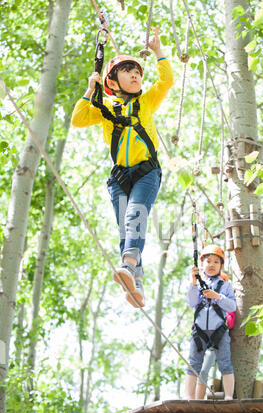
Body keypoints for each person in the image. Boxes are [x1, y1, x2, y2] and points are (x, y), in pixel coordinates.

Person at [71, 27, 174, 308]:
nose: (134, 75)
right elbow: (78, 120)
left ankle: (128, 265)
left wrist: (158, 52)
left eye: (137, 72)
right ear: (112, 82)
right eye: (127, 71)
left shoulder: (146, 101)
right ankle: (135, 283)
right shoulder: (105, 108)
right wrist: (90, 90)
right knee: (126, 229)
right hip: (119, 177)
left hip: (146, 171)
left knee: (135, 216)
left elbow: (166, 82)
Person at [184, 245, 236, 400]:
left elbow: (232, 306)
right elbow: (192, 302)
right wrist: (193, 283)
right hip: (199, 330)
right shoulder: (198, 284)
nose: (212, 265)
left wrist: (218, 296)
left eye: (216, 262)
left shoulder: (225, 286)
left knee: (225, 363)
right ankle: (189, 396)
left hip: (219, 331)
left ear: (221, 266)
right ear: (202, 265)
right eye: (208, 261)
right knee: (194, 365)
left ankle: (228, 396)